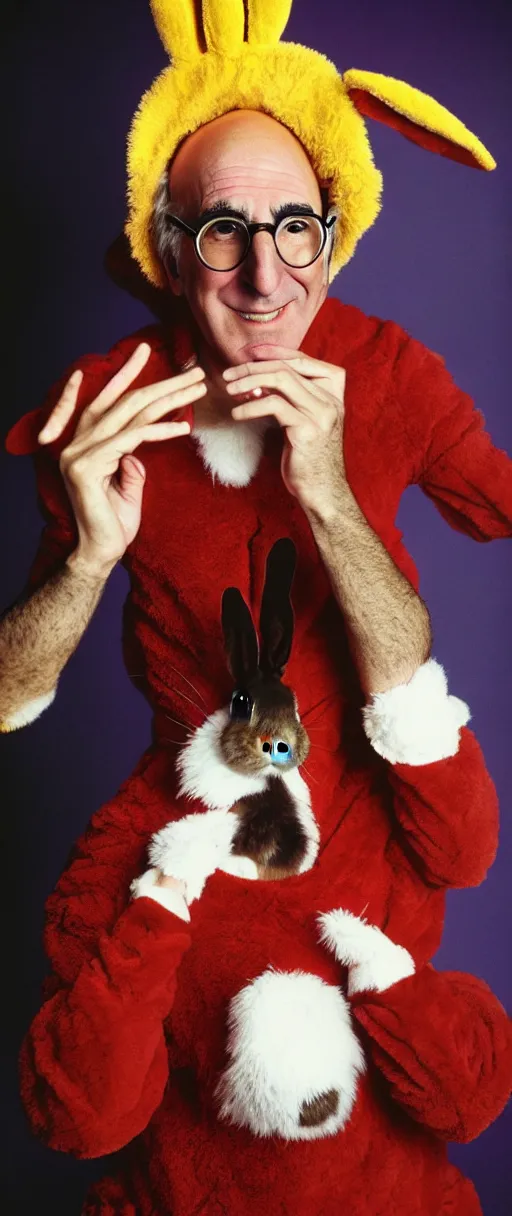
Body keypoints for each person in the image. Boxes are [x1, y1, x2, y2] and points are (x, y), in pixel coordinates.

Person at [1, 2, 511, 1213]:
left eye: (293, 226)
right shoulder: (105, 399)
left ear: (335, 234)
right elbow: (11, 696)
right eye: (223, 230)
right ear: (167, 243)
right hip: (193, 834)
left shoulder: (388, 373)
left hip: (364, 844)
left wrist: (329, 500)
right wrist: (82, 560)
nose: (265, 272)